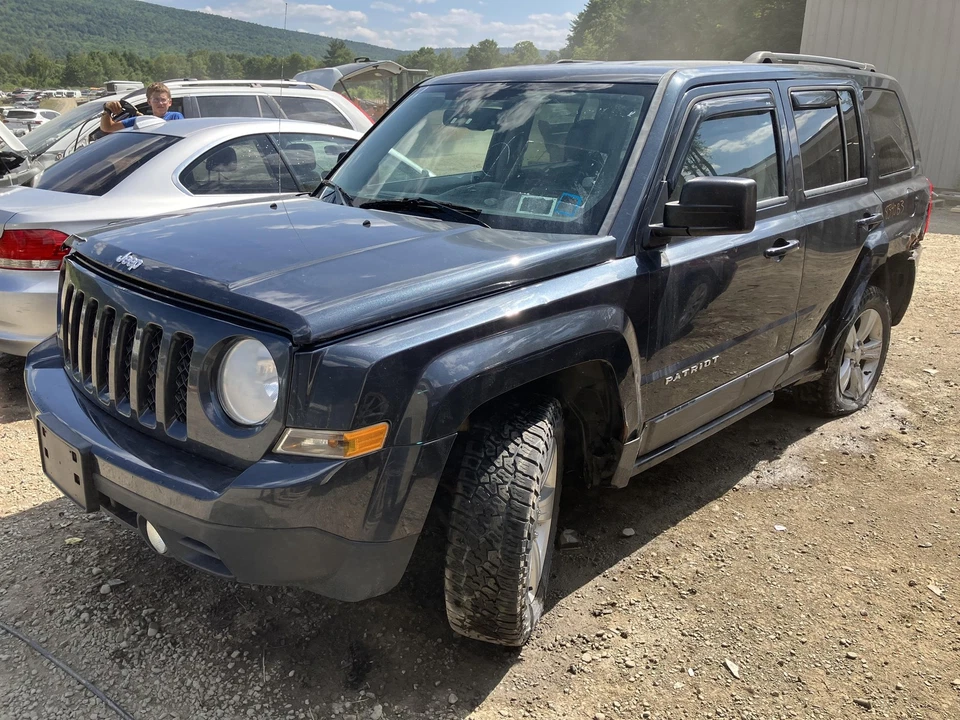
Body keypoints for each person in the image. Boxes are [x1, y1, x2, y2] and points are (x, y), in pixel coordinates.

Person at [99, 82, 183, 133]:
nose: (160, 103)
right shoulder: (141, 120)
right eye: (156, 100)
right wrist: (107, 109)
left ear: (170, 102)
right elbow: (108, 128)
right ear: (149, 102)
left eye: (163, 100)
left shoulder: (175, 117)